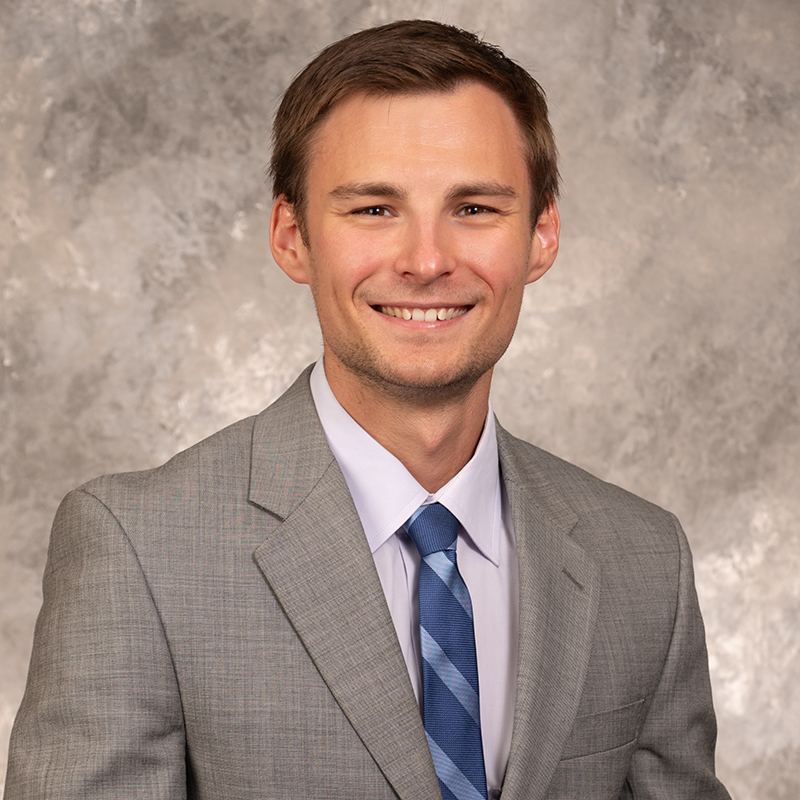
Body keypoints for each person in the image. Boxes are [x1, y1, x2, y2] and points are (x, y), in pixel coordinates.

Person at [6, 19, 730, 800]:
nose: (426, 260)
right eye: (374, 210)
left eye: (476, 208)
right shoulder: (138, 552)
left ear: (541, 236)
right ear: (292, 238)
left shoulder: (645, 560)